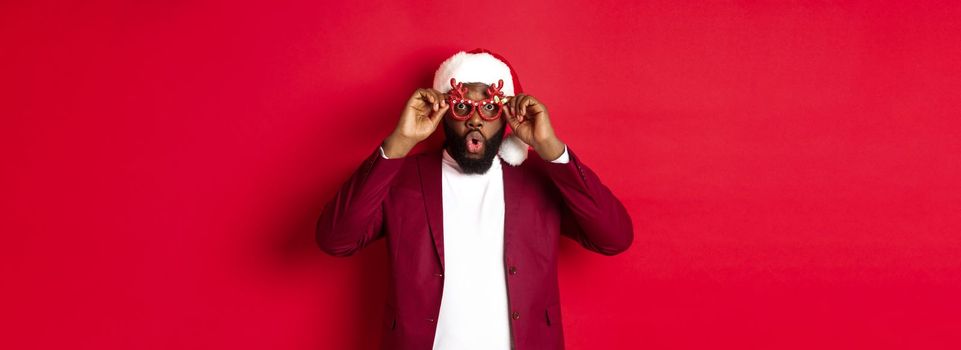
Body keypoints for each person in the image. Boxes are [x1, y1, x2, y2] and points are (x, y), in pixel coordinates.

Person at [316, 48, 633, 350]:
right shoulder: (402, 178)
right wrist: (400, 142)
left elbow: (614, 237)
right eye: (463, 106)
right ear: (443, 112)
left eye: (490, 107)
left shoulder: (539, 179)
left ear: (506, 114)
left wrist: (550, 147)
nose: (476, 119)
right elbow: (336, 239)